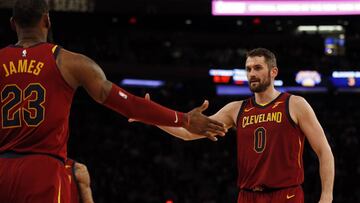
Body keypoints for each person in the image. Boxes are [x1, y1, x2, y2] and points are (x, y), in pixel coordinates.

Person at [0, 0, 226, 202]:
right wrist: (184, 119)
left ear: (12, 24)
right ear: (47, 20)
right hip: (42, 170)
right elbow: (129, 104)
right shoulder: (69, 61)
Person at [152, 48, 335, 203]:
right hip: (248, 196)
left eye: (257, 68)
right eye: (248, 69)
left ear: (273, 72)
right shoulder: (236, 109)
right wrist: (151, 116)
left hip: (286, 194)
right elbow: (187, 134)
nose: (252, 74)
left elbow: (324, 151)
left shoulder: (295, 104)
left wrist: (326, 196)